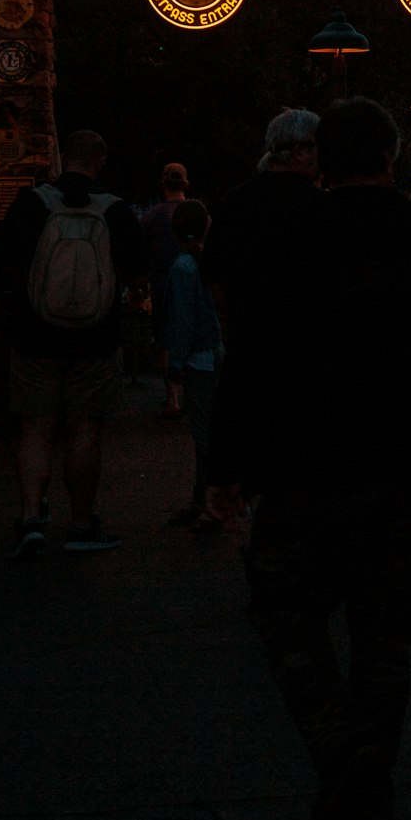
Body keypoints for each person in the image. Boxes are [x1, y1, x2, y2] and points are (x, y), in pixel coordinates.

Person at [211, 98, 411, 820]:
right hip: (405, 464)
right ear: (390, 156)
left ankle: (339, 744)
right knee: (385, 634)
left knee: (284, 609)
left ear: (321, 160)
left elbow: (251, 356)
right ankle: (369, 777)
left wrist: (227, 462)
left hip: (304, 461)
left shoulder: (286, 237)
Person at [0, 129, 147, 557]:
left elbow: (2, 261)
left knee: (35, 429)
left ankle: (31, 519)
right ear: (100, 159)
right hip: (95, 341)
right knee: (85, 430)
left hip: (35, 338)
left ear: (63, 158)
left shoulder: (32, 203)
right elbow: (136, 275)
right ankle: (80, 523)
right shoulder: (114, 210)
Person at [202, 107, 321, 492]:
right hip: (308, 354)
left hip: (248, 348)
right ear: (302, 151)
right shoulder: (320, 208)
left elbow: (215, 279)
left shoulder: (234, 203)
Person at [162, 199, 223, 532]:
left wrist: (175, 361)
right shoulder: (207, 263)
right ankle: (206, 501)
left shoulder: (182, 268)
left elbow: (182, 321)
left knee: (203, 435)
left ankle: (206, 503)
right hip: (213, 351)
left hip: (198, 358)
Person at [141, 161, 190, 417]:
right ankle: (193, 394)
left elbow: (142, 251)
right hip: (193, 284)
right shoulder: (197, 213)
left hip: (162, 285)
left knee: (165, 341)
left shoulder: (152, 215)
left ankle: (172, 399)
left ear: (163, 184)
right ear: (185, 183)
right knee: (193, 336)